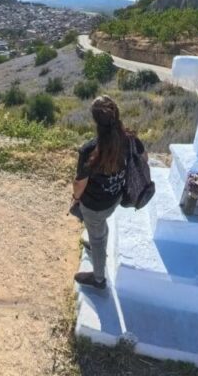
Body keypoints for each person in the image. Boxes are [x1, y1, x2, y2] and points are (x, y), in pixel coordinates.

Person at [71, 95, 147, 290]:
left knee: (97, 236)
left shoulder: (89, 149)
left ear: (96, 121)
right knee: (99, 227)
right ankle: (97, 241)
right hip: (116, 198)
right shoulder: (129, 139)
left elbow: (80, 183)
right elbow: (144, 157)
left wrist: (75, 199)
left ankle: (98, 279)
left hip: (94, 205)